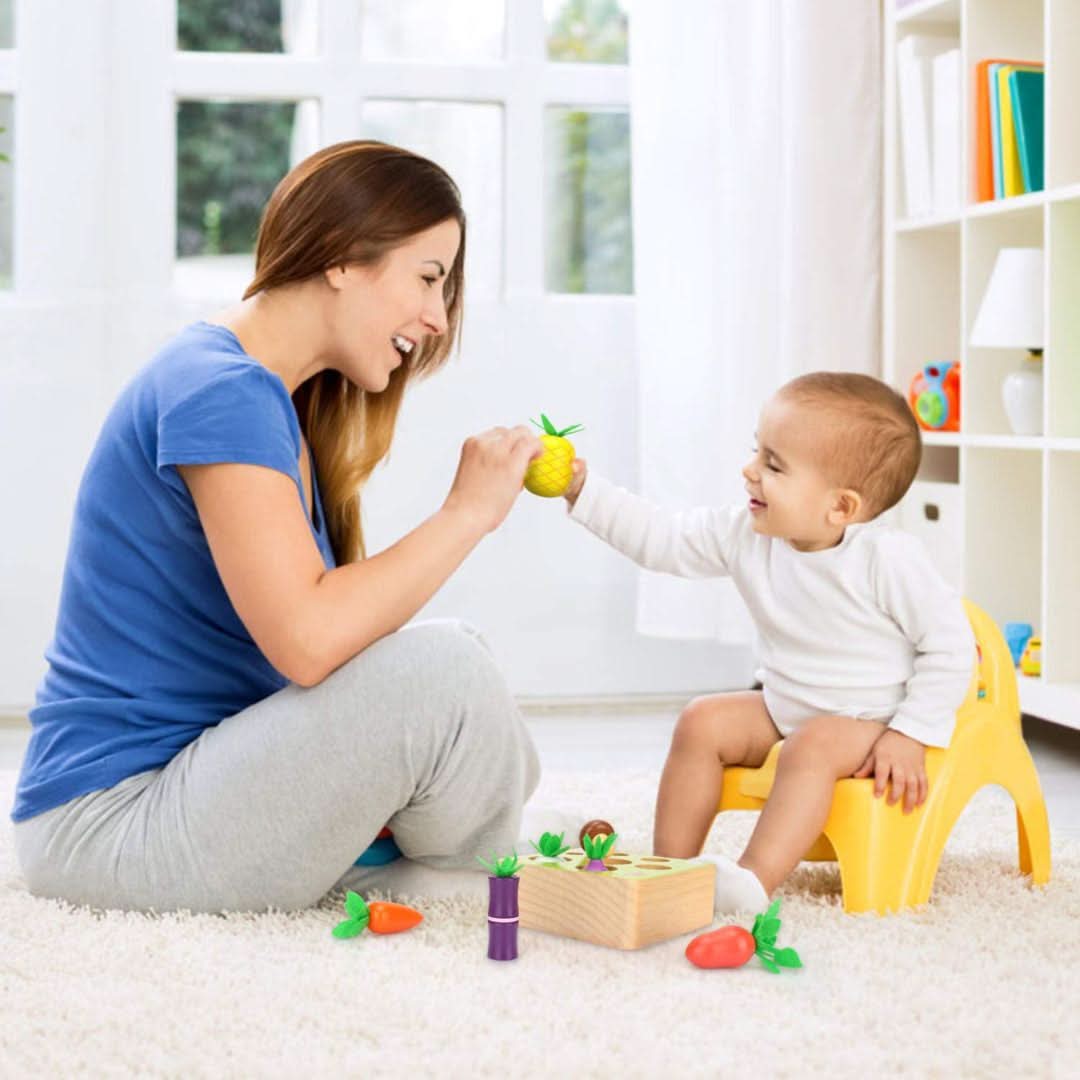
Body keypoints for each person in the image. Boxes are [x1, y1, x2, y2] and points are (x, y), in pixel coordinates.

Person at [12, 141, 546, 913]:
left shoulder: (264, 395)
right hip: (110, 825)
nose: (436, 317)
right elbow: (307, 640)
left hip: (189, 788)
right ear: (342, 258)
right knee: (448, 674)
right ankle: (481, 870)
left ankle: (446, 864)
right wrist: (467, 514)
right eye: (429, 278)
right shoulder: (219, 389)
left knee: (460, 660)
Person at [563, 372, 975, 912]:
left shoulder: (885, 560)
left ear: (841, 508)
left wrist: (910, 733)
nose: (749, 471)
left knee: (811, 748)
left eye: (773, 465)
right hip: (785, 707)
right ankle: (669, 871)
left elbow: (951, 646)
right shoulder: (746, 534)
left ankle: (751, 883)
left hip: (867, 719)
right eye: (757, 452)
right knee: (701, 720)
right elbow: (662, 539)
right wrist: (583, 489)